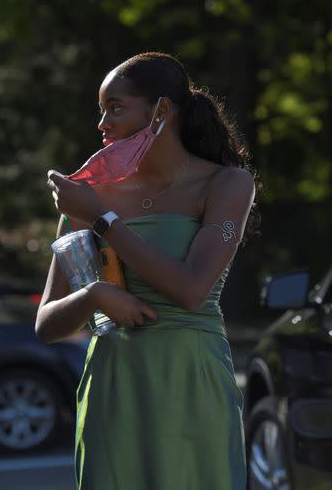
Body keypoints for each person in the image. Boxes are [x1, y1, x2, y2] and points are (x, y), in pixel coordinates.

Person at [37, 52, 258, 490]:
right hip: (114, 386)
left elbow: (192, 289)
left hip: (191, 379)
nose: (102, 123)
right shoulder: (88, 194)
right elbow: (46, 325)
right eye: (101, 110)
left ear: (161, 111)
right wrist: (94, 296)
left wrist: (104, 221)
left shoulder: (226, 184)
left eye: (115, 108)